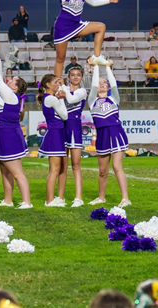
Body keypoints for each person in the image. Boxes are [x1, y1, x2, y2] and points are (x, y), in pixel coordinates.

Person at [28, 0, 120, 76]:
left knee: (101, 27)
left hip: (76, 25)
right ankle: (59, 83)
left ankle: (97, 56)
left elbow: (93, 3)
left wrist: (109, 0)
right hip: (62, 27)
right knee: (60, 58)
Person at [0, 53, 33, 209]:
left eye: (13, 81)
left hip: (9, 137)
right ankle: (8, 200)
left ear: (16, 88)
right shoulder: (2, 96)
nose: (10, 80)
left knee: (17, 172)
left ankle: (27, 202)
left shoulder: (12, 96)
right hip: (0, 137)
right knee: (5, 171)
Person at [87, 59, 131, 207]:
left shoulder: (114, 98)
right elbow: (93, 87)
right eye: (99, 83)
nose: (101, 84)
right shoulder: (92, 101)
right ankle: (101, 197)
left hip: (116, 133)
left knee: (117, 167)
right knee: (102, 171)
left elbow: (114, 85)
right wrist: (96, 68)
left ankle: (125, 198)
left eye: (104, 83)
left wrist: (107, 67)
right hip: (102, 135)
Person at [38, 74, 69, 207]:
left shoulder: (49, 98)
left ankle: (52, 199)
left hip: (57, 133)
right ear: (48, 85)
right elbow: (65, 115)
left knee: (56, 168)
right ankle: (49, 200)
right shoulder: (51, 99)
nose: (59, 84)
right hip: (55, 134)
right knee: (55, 170)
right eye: (56, 82)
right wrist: (61, 99)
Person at [62, 64, 89, 208]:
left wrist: (63, 88)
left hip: (74, 127)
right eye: (73, 75)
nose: (76, 77)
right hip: (62, 127)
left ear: (82, 77)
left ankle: (78, 197)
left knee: (76, 164)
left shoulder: (83, 91)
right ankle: (60, 197)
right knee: (62, 165)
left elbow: (71, 100)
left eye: (78, 75)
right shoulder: (64, 89)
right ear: (69, 77)